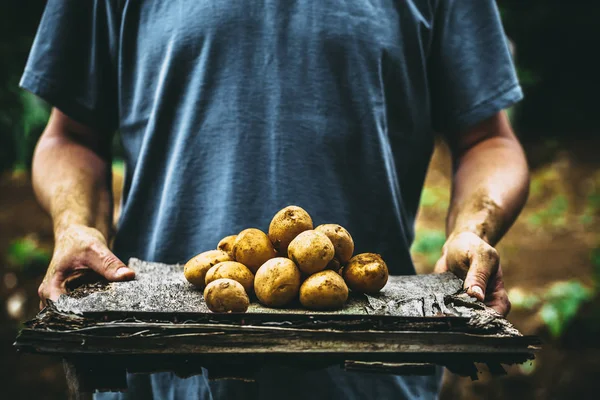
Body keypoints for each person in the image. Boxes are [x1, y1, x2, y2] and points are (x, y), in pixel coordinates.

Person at [21, 0, 529, 399]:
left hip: (369, 367)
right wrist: (75, 226)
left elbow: (488, 139)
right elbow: (70, 136)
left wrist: (473, 228)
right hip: (149, 366)